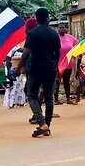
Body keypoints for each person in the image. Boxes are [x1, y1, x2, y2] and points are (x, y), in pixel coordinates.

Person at [15, 8, 60, 138]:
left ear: (37, 18)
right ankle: (47, 124)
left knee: (31, 94)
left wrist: (18, 68)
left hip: (36, 68)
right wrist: (56, 67)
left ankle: (41, 122)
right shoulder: (54, 33)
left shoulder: (33, 33)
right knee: (49, 96)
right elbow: (57, 53)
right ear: (47, 18)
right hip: (50, 68)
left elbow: (27, 52)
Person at [56, 23, 78, 105]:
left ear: (65, 29)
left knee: (66, 81)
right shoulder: (56, 37)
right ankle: (56, 99)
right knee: (57, 81)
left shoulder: (70, 37)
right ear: (57, 29)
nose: (61, 29)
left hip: (68, 63)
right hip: (58, 63)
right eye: (60, 28)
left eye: (63, 28)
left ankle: (68, 98)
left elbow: (77, 44)